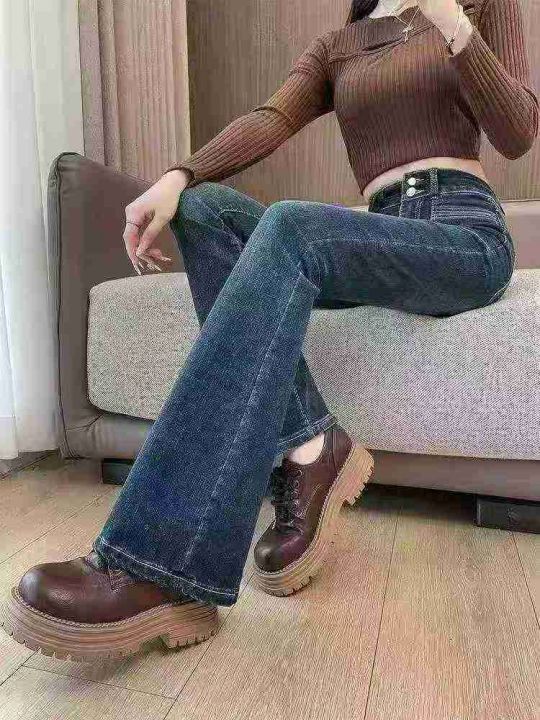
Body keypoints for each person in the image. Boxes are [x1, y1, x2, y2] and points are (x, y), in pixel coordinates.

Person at [4, 0, 537, 662]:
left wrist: (451, 21)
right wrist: (177, 177)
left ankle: (158, 562)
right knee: (204, 210)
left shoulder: (479, 6)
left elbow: (518, 131)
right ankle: (312, 445)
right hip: (378, 232)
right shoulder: (340, 44)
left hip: (463, 233)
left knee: (289, 224)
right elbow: (272, 117)